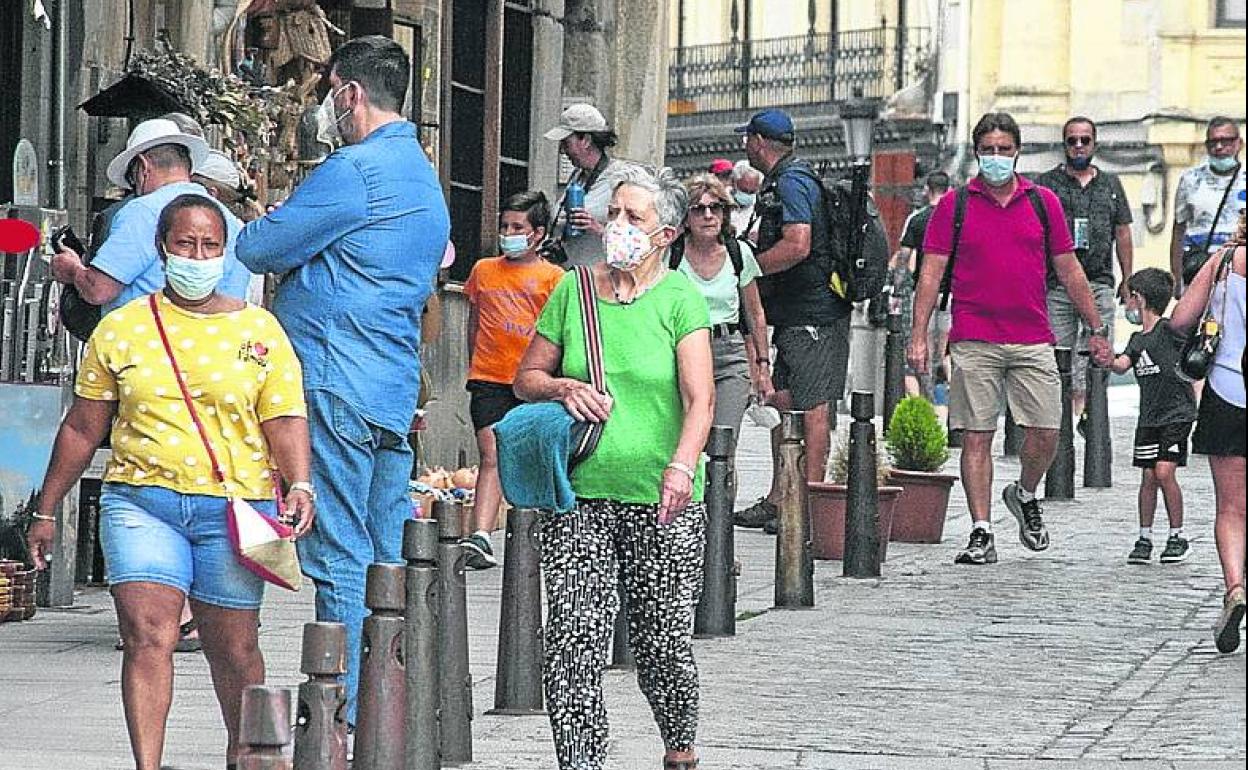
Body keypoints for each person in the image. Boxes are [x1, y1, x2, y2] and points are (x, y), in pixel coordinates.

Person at [27, 193, 314, 770]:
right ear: (162, 250)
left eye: (210, 246)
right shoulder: (122, 330)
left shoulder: (260, 332)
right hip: (141, 504)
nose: (198, 255)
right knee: (148, 636)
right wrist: (47, 507)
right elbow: (83, 428)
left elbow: (283, 417)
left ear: (225, 253)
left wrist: (300, 483)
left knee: (234, 650)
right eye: (186, 244)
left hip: (236, 513)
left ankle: (249, 752)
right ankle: (148, 764)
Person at [234, 35, 451, 722]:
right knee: (387, 551)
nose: (330, 107)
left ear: (351, 94)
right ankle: (393, 704)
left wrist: (274, 223)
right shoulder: (422, 176)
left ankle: (344, 710)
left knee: (340, 552)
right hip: (386, 384)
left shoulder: (354, 170)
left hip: (335, 376)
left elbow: (259, 246)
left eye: (331, 93)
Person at [512, 164, 713, 770]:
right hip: (581, 500)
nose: (618, 226)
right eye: (614, 214)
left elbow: (700, 398)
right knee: (572, 646)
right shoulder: (573, 290)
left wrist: (681, 467)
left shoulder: (680, 298)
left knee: (663, 647)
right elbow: (525, 379)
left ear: (666, 234)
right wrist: (562, 389)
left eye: (635, 217)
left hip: (662, 502)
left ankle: (679, 747)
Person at [907, 112, 1112, 566]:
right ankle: (981, 530)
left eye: (1004, 149)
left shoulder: (1042, 203)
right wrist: (918, 335)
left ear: (1017, 151)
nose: (996, 158)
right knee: (977, 434)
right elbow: (931, 274)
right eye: (988, 150)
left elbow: (1070, 270)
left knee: (1046, 430)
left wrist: (1096, 328)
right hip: (974, 336)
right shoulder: (954, 206)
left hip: (1032, 334)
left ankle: (1024, 492)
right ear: (977, 153)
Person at [730, 108, 853, 534]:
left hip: (815, 315)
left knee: (813, 407)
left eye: (748, 139)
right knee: (783, 402)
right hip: (795, 314)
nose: (745, 146)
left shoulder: (794, 182)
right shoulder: (783, 180)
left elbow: (797, 244)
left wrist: (749, 271)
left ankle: (808, 503)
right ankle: (782, 497)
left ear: (759, 142)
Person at [49, 118, 253, 316]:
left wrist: (73, 269)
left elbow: (98, 289)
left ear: (142, 167)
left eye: (131, 178)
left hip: (145, 343)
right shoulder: (230, 221)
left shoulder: (144, 211)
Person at [458, 191, 564, 570]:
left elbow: (559, 333)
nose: (509, 233)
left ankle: (534, 531)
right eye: (505, 226)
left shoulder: (555, 279)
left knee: (531, 457)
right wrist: (476, 363)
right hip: (489, 377)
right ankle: (481, 534)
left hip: (534, 381)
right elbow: (475, 322)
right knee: (491, 454)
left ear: (537, 234)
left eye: (517, 228)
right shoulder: (483, 271)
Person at [1169, 212, 1246, 653]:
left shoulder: (1222, 262)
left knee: (1231, 509)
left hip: (1227, 390)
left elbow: (1181, 320)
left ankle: (1234, 587)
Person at [1035, 117, 1135, 428]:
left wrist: (1128, 280)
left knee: (1100, 350)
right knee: (1057, 354)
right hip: (1057, 284)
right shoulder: (1046, 184)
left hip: (1099, 281)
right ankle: (1058, 417)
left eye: (1084, 140)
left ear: (1094, 144)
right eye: (1072, 140)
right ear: (1063, 144)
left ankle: (1093, 414)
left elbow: (1123, 233)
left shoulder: (1111, 185)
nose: (1078, 146)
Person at [1107, 269, 1195, 565]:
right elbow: (1122, 365)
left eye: (1129, 297)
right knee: (1148, 476)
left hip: (1176, 414)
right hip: (1149, 418)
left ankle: (1176, 534)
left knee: (1164, 472)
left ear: (1139, 298)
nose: (1127, 304)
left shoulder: (1170, 330)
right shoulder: (1136, 339)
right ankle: (1144, 536)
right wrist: (1105, 357)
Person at [675, 174, 771, 438]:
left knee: (723, 442)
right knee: (689, 440)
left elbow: (755, 312)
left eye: (715, 207)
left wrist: (762, 367)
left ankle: (724, 480)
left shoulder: (739, 253)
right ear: (685, 217)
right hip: (682, 351)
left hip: (728, 352)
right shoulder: (671, 255)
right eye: (698, 209)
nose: (708, 215)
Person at [543, 103, 629, 267]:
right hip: (568, 277)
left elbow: (638, 238)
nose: (562, 150)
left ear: (585, 140)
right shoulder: (577, 177)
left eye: (566, 143)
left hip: (600, 282)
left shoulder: (621, 178)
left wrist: (597, 227)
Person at [1171, 117, 1245, 295]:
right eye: (1213, 142)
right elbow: (1179, 230)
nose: (1219, 147)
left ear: (1239, 144)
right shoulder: (1190, 180)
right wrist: (1176, 278)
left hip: (1239, 271)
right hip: (1199, 269)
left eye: (1225, 141)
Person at [895, 170, 953, 396]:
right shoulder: (955, 219)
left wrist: (899, 288)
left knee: (923, 349)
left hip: (925, 292)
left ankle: (928, 402)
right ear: (948, 191)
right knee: (946, 352)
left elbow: (903, 256)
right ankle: (952, 395)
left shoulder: (917, 219)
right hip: (952, 293)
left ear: (927, 190)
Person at [729, 159, 764, 243]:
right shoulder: (720, 202)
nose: (748, 195)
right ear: (734, 183)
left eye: (752, 192)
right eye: (744, 190)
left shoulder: (760, 207)